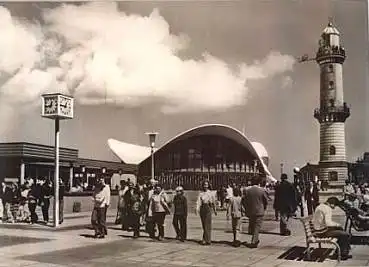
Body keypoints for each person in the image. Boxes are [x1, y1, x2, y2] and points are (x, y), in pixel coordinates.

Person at [241, 178, 268, 248]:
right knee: (257, 227)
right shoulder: (262, 190)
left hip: (251, 211)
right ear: (258, 182)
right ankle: (254, 241)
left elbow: (243, 201)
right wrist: (264, 207)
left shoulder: (247, 191)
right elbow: (266, 201)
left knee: (253, 225)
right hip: (259, 211)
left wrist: (246, 208)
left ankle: (255, 239)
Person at [195, 180, 217, 245]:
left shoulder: (211, 193)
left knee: (207, 224)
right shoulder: (201, 193)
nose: (205, 186)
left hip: (208, 208)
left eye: (206, 185)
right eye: (204, 185)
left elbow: (213, 202)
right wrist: (197, 209)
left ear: (208, 185)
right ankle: (206, 238)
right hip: (202, 209)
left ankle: (206, 240)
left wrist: (215, 210)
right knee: (204, 224)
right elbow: (198, 202)